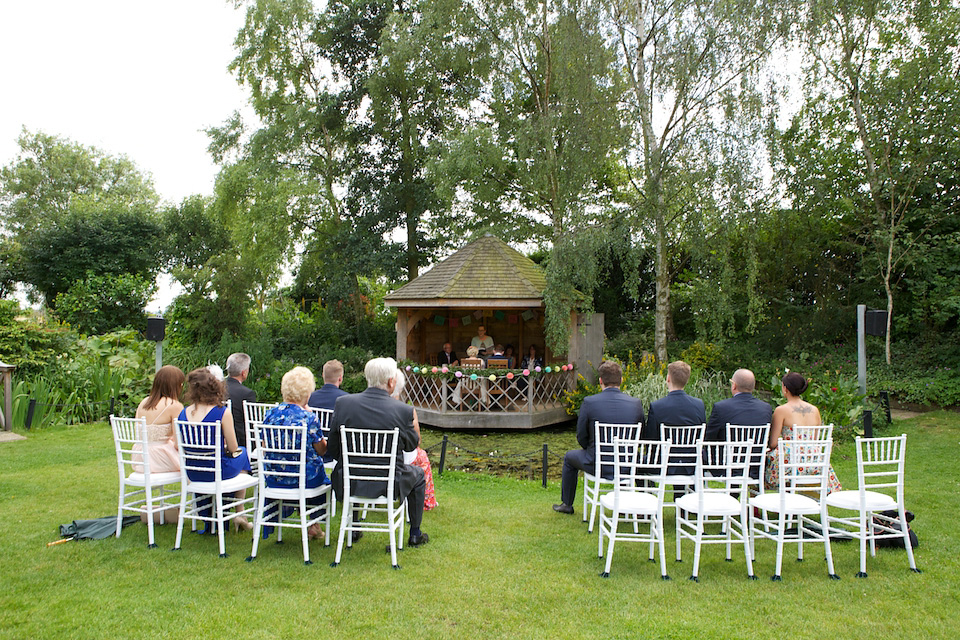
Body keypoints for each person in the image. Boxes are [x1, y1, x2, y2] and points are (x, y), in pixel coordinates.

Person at [327, 357, 430, 547]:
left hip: (350, 481)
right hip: (390, 482)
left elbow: (333, 449)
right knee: (419, 474)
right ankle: (415, 533)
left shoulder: (343, 403)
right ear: (391, 381)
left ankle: (354, 525)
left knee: (354, 469)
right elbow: (411, 446)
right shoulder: (402, 410)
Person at [553, 360, 645, 515]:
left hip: (596, 463)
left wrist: (590, 450)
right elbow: (641, 437)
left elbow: (581, 435)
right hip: (627, 464)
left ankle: (567, 504)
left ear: (600, 381)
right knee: (640, 459)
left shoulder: (589, 402)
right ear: (621, 380)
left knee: (569, 457)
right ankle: (642, 505)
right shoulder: (635, 403)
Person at [179, 367, 253, 531]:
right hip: (216, 470)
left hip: (193, 471)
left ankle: (220, 514)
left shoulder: (183, 413)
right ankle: (238, 512)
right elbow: (233, 448)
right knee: (243, 453)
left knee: (237, 459)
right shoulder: (222, 412)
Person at [261, 366, 330, 539]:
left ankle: (312, 525)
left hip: (274, 477)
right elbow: (321, 451)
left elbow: (264, 446)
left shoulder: (270, 415)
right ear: (306, 394)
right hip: (303, 479)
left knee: (308, 468)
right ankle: (314, 523)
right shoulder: (308, 418)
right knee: (322, 476)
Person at [764, 372, 842, 493]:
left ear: (785, 388)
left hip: (790, 461)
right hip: (812, 459)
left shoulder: (781, 410)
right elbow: (815, 439)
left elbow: (773, 443)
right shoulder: (814, 410)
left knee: (766, 459)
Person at [392, 370, 437, 511]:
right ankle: (426, 500)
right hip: (398, 459)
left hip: (370, 462)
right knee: (422, 456)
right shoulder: (406, 410)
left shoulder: (361, 407)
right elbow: (415, 441)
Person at [133, 365, 186, 474]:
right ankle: (195, 490)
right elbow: (178, 443)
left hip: (139, 457)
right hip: (158, 459)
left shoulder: (144, 402)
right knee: (191, 462)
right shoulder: (174, 405)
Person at [643, 360, 705, 440]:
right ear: (687, 380)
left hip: (664, 452)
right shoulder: (699, 405)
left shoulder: (657, 406)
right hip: (692, 452)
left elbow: (650, 439)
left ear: (668, 378)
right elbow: (702, 437)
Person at [704, 368, 772, 441]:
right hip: (756, 452)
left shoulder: (720, 407)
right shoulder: (766, 408)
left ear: (734, 385)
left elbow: (709, 438)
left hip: (727, 452)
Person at [225, 352, 257, 448]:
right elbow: (252, 422)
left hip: (218, 438)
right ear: (243, 372)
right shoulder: (247, 393)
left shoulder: (216, 388)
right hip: (241, 441)